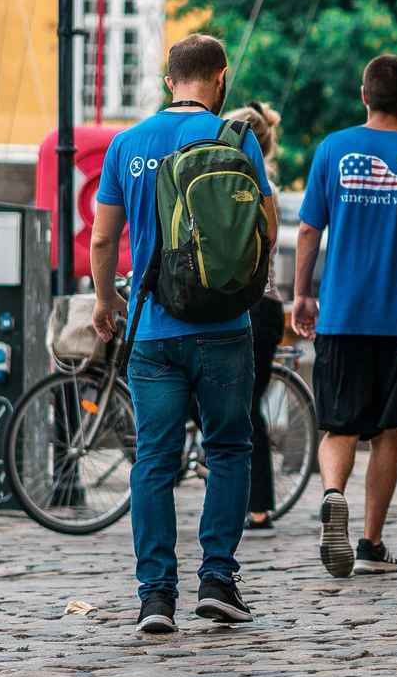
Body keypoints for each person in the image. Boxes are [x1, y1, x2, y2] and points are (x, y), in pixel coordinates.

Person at [91, 34, 277, 633]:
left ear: (168, 78)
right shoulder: (239, 138)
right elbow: (267, 225)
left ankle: (156, 597)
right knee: (229, 449)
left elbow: (101, 239)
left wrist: (103, 303)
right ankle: (218, 580)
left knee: (154, 460)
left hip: (155, 330)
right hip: (226, 325)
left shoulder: (127, 144)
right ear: (219, 78)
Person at [292, 55, 397, 577]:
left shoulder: (333, 149)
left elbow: (308, 230)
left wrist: (303, 294)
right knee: (389, 433)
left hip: (343, 313)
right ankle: (372, 541)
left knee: (339, 427)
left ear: (363, 94)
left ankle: (333, 494)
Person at [225, 102, 288, 539]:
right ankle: (249, 498)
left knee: (245, 407)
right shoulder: (263, 186)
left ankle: (260, 504)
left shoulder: (248, 186)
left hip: (249, 304)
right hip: (265, 306)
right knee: (244, 405)